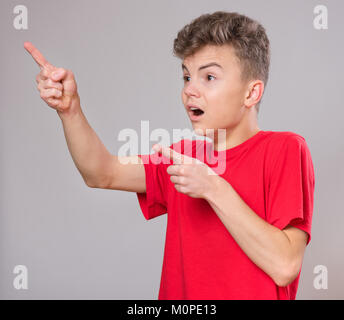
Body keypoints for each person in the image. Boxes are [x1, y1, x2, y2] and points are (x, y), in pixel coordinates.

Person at [24, 11, 315, 300]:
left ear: (251, 93)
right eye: (187, 77)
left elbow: (285, 264)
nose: (190, 90)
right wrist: (70, 110)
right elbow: (101, 172)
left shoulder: (285, 149)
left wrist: (213, 188)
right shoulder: (182, 157)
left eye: (209, 77)